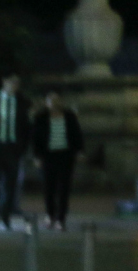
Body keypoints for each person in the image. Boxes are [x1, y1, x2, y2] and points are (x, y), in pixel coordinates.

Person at [33, 91, 84, 232]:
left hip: (65, 156)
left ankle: (61, 218)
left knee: (64, 189)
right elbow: (36, 139)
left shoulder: (69, 116)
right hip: (48, 157)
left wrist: (79, 151)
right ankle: (50, 215)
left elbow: (77, 134)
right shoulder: (41, 117)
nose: (54, 103)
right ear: (46, 103)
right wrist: (37, 156)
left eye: (57, 100)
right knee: (48, 188)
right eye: (51, 100)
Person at [0, 74, 31, 230]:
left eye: (17, 83)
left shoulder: (22, 103)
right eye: (12, 83)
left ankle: (5, 215)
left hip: (13, 148)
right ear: (4, 83)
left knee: (10, 183)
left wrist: (22, 148)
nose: (15, 86)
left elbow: (26, 128)